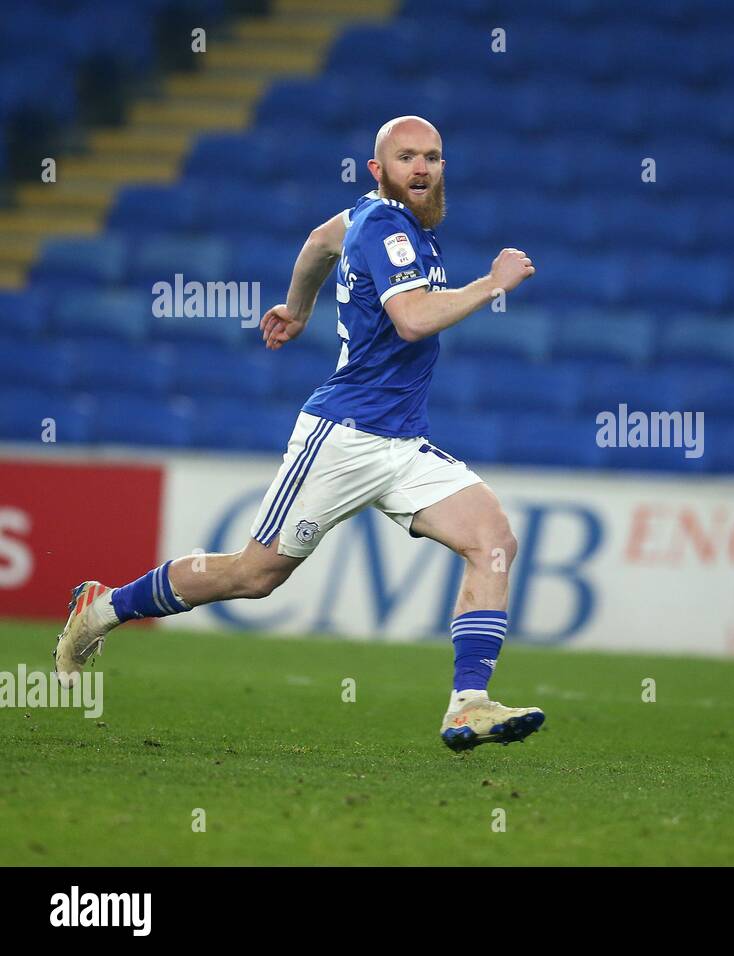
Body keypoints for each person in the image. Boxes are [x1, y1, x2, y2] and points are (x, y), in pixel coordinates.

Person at [55, 116, 545, 752]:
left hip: (401, 444)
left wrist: (298, 307)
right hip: (342, 438)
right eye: (405, 158)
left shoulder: (367, 216)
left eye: (432, 157)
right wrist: (492, 283)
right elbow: (413, 320)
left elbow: (318, 241)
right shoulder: (388, 225)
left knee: (492, 540)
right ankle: (102, 607)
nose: (421, 169)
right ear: (379, 169)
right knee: (253, 575)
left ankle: (467, 705)